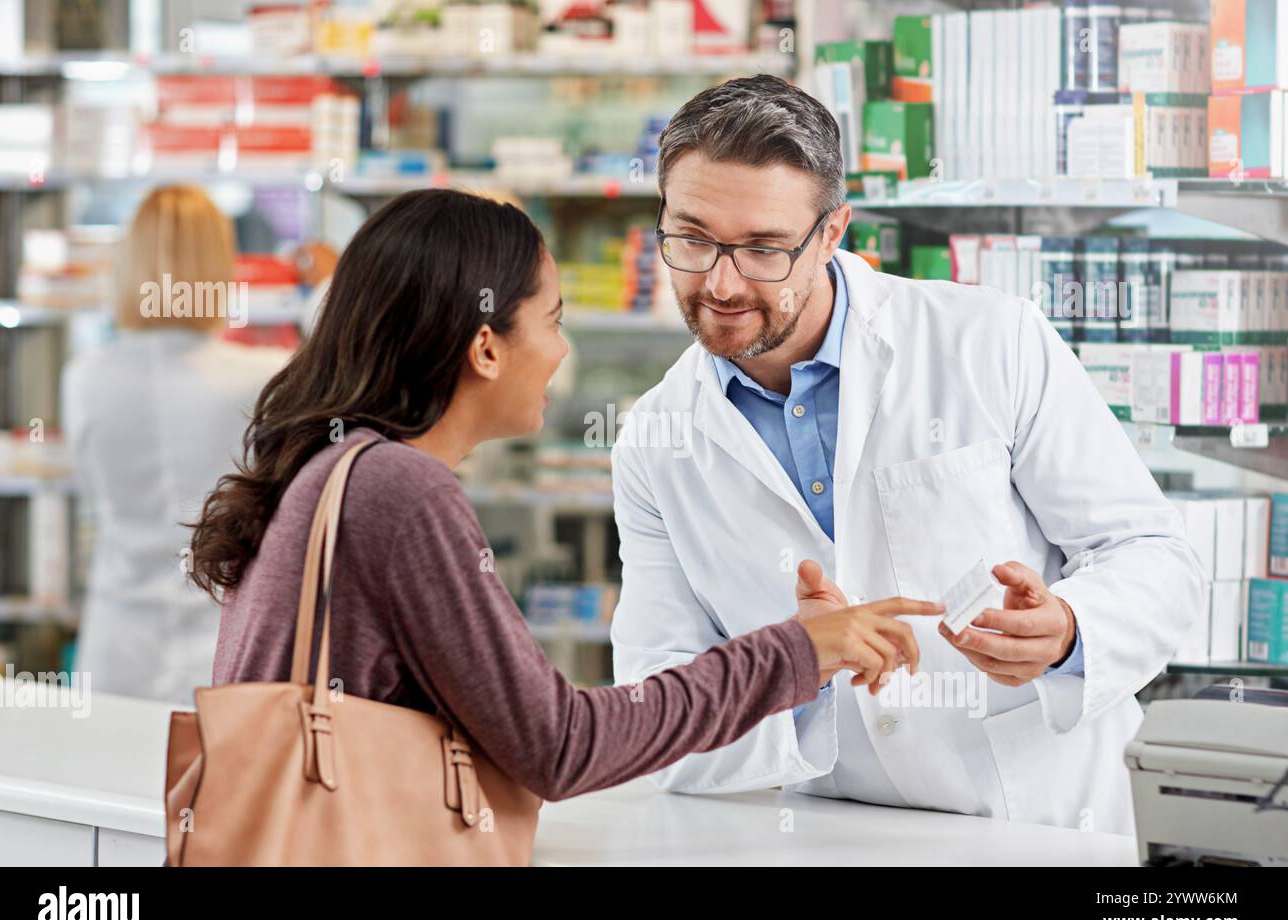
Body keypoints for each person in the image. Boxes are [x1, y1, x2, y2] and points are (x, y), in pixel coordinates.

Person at [192, 188, 943, 803]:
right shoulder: (398, 490)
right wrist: (797, 652)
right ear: (485, 349)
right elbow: (558, 745)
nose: (561, 352)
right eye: (551, 322)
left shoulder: (332, 466)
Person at [608, 75, 1204, 835]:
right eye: (691, 238)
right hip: (839, 835)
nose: (720, 282)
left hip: (1041, 823)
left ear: (832, 233)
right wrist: (799, 667)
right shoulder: (656, 442)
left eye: (762, 248)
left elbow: (1155, 554)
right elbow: (655, 716)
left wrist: (1071, 632)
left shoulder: (988, 341)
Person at [62, 185, 291, 703]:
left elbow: (92, 488)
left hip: (115, 639)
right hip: (221, 645)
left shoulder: (85, 377)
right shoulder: (263, 376)